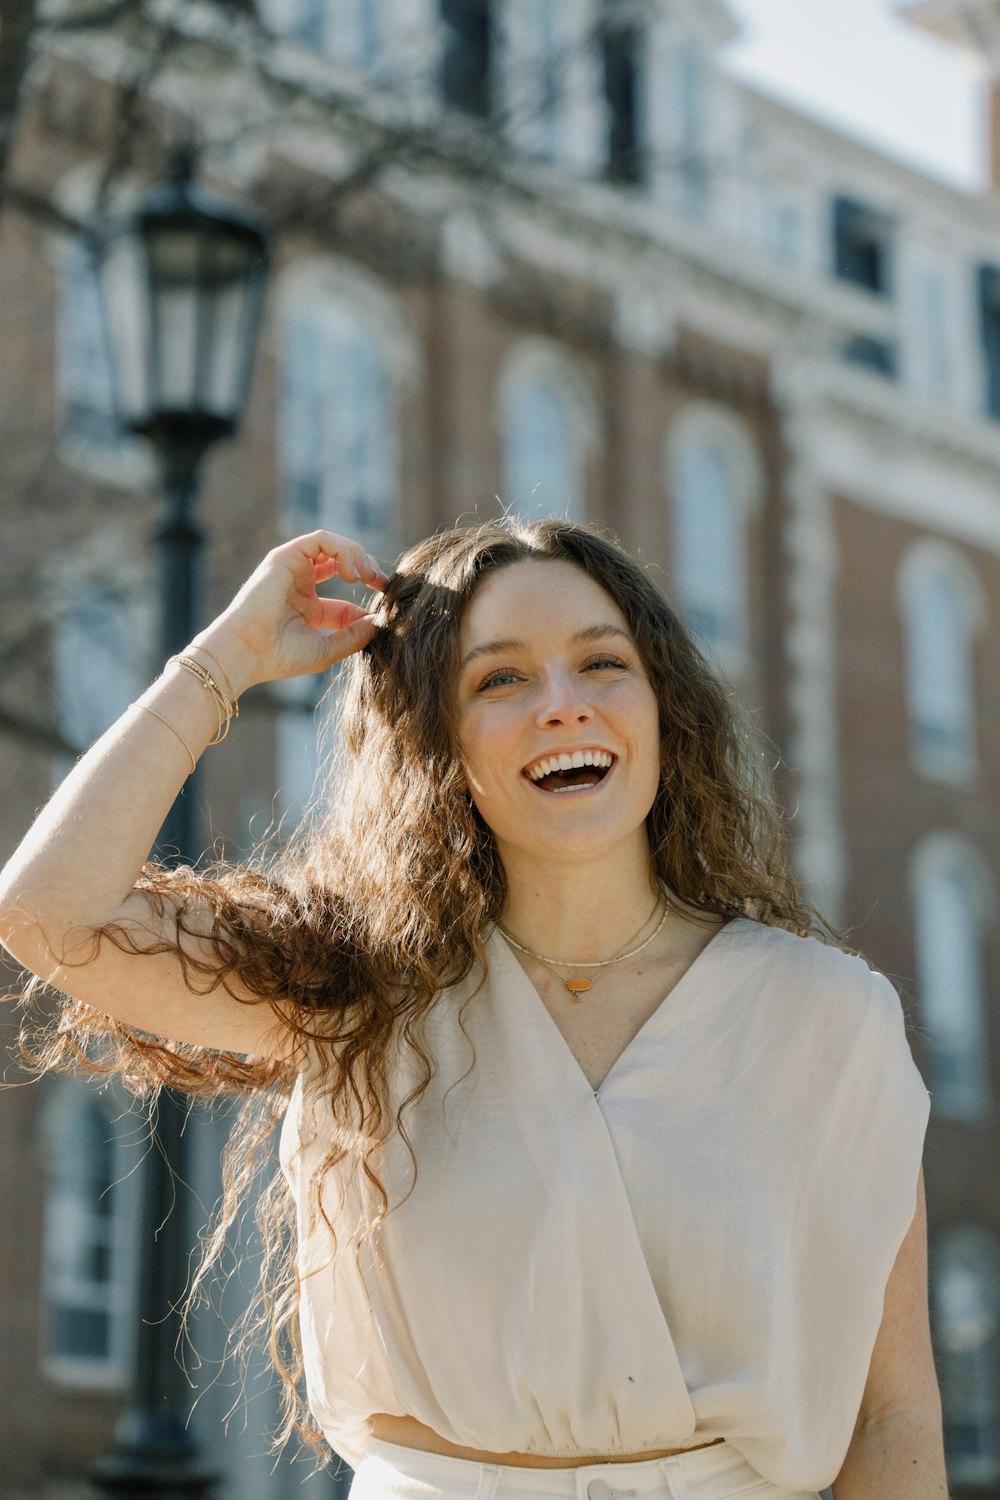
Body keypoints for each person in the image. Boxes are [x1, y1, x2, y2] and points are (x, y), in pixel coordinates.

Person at [0, 518, 946, 1500]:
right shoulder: (354, 992)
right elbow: (49, 912)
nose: (563, 706)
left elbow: (891, 1416)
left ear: (664, 708)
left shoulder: (826, 1018)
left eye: (602, 664)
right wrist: (225, 658)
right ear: (433, 736)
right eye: (501, 679)